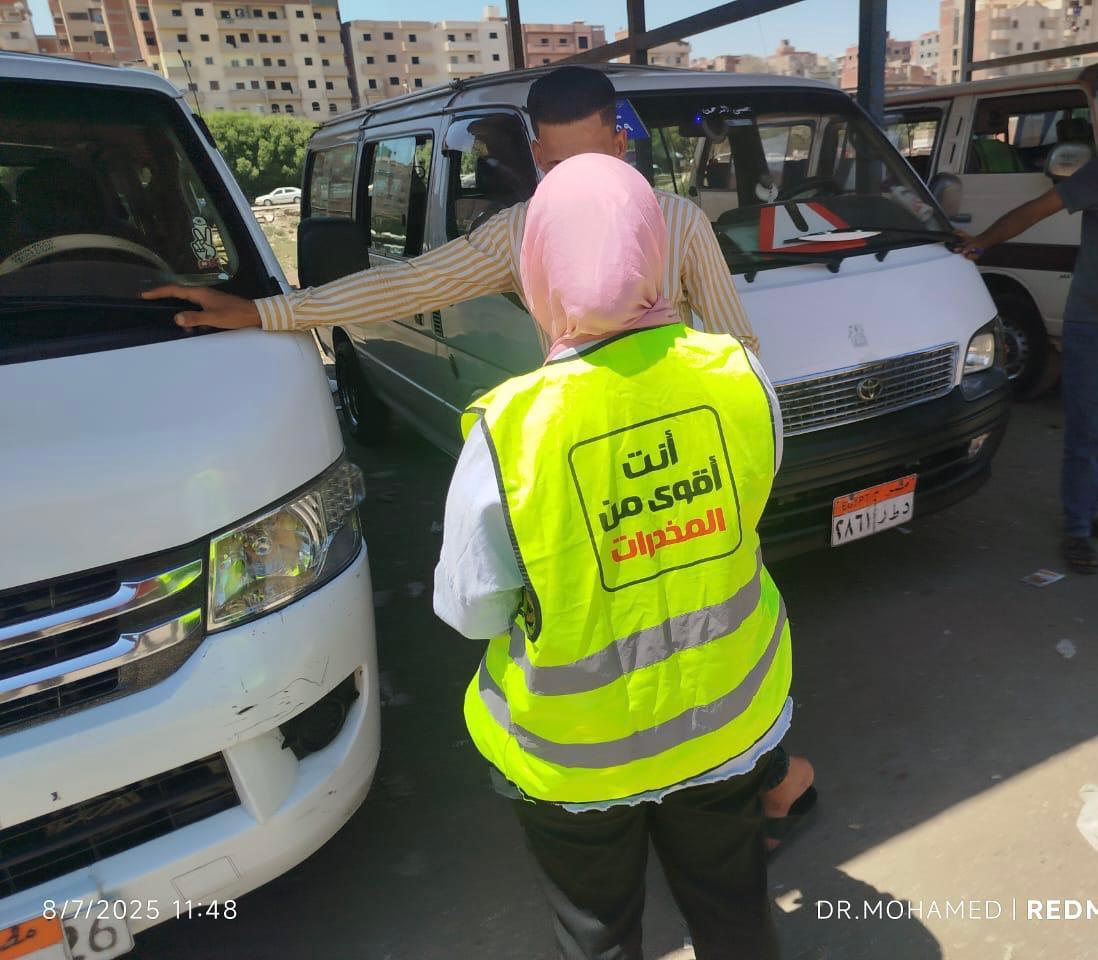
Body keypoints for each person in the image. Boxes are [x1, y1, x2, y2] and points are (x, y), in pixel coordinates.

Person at [434, 153, 792, 960]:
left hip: (576, 760)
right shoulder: (739, 374)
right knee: (734, 910)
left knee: (598, 932)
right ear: (651, 252)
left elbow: (472, 610)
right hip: (726, 720)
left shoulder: (511, 428)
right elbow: (752, 503)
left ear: (538, 270)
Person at [958, 159, 1098, 574]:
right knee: (1086, 430)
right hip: (1091, 323)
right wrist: (981, 243)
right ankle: (1077, 527)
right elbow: (1035, 210)